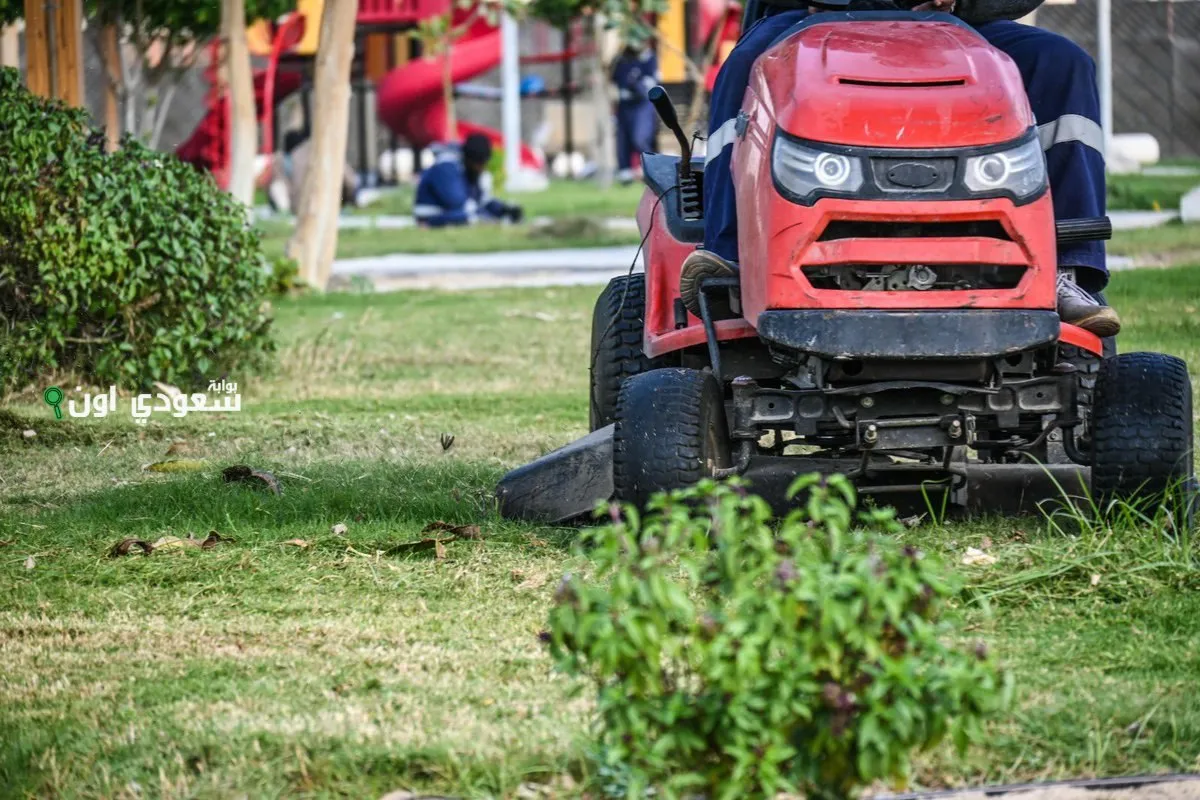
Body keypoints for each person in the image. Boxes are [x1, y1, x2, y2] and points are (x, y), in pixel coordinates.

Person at [682, 0, 1121, 336]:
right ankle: (729, 251)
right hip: (813, 17)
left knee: (1063, 63)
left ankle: (1067, 270)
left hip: (949, 19)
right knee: (743, 65)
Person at [413, 133, 524, 227]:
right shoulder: (446, 166)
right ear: (470, 160)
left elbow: (480, 199)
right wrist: (488, 217)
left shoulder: (467, 169)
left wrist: (503, 210)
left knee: (478, 216)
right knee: (475, 218)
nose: (482, 169)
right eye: (480, 164)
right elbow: (458, 202)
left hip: (454, 213)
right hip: (430, 218)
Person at [611, 44, 661, 185]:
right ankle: (625, 173)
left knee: (640, 137)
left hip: (642, 104)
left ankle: (652, 170)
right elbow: (615, 78)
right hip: (625, 104)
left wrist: (637, 84)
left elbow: (651, 82)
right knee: (623, 138)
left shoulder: (649, 58)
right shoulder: (622, 60)